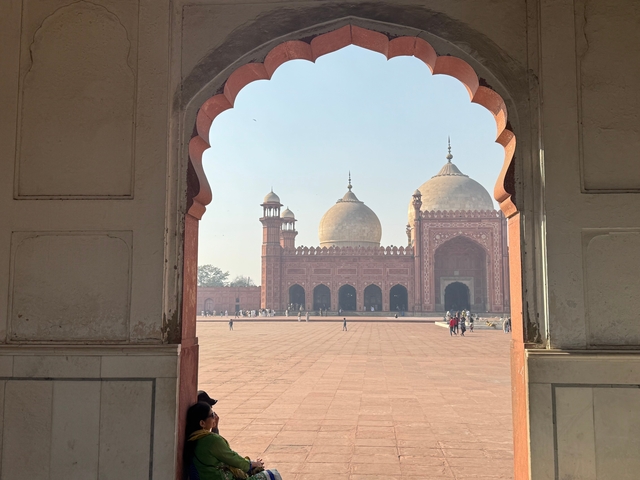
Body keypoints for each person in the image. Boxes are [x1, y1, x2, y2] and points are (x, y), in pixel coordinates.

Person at [184, 402, 281, 480]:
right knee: (273, 475)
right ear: (202, 423)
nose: (215, 417)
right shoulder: (211, 440)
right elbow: (231, 457)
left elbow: (218, 452)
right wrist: (251, 464)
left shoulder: (194, 438)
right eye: (212, 415)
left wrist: (215, 429)